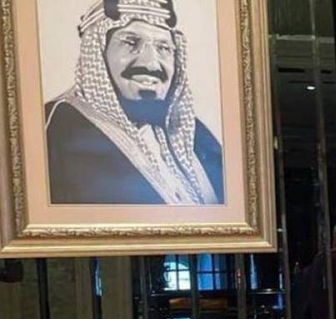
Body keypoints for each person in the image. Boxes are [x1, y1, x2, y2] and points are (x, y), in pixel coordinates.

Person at [44, 0, 224, 205]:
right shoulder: (57, 128)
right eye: (130, 42)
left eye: (163, 47)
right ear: (98, 52)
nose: (151, 63)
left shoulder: (195, 134)